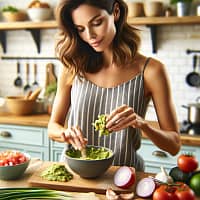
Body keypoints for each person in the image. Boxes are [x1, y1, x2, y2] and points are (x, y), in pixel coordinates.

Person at [48, 0, 181, 171]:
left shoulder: (151, 70)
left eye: (97, 23)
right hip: (75, 176)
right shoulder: (72, 66)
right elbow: (53, 127)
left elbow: (174, 145)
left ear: (116, 12)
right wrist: (64, 133)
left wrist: (142, 124)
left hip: (124, 179)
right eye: (80, 29)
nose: (90, 36)